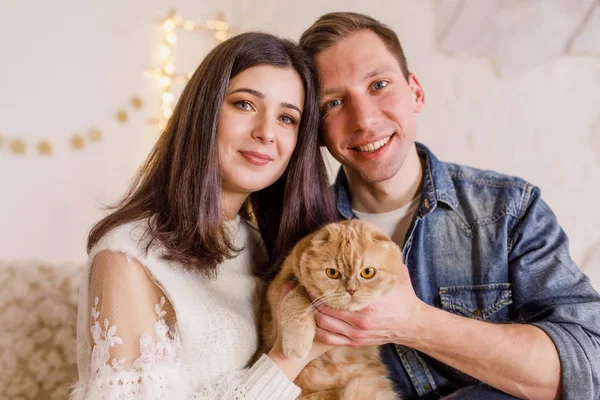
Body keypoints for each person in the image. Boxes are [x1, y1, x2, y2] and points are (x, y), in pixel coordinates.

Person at [299, 12, 600, 400]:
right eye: (334, 102)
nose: (364, 119)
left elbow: (588, 366)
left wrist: (412, 321)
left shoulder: (509, 209)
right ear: (319, 131)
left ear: (416, 93)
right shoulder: (301, 235)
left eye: (379, 84)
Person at [71, 32, 337, 399]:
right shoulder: (127, 259)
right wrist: (290, 357)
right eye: (244, 105)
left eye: (287, 118)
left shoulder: (258, 245)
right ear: (204, 112)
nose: (266, 133)